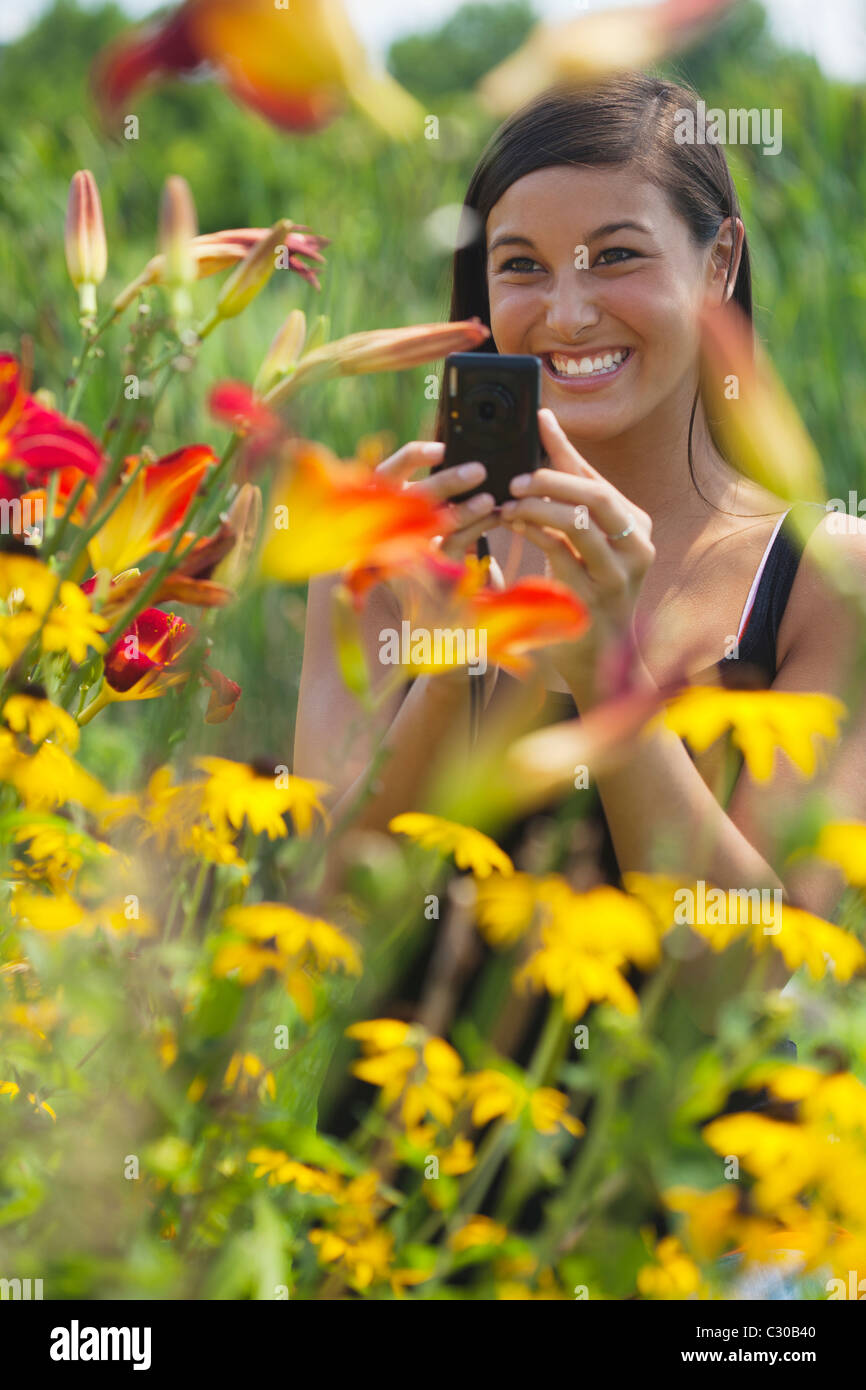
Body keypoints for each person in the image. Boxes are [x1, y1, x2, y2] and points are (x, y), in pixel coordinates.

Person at [295, 73, 866, 1039]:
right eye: (521, 266)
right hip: (389, 1170)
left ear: (720, 262)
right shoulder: (384, 558)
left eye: (615, 257)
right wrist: (448, 663)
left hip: (682, 1178)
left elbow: (775, 988)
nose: (566, 313)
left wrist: (610, 672)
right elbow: (323, 937)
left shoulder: (824, 576)